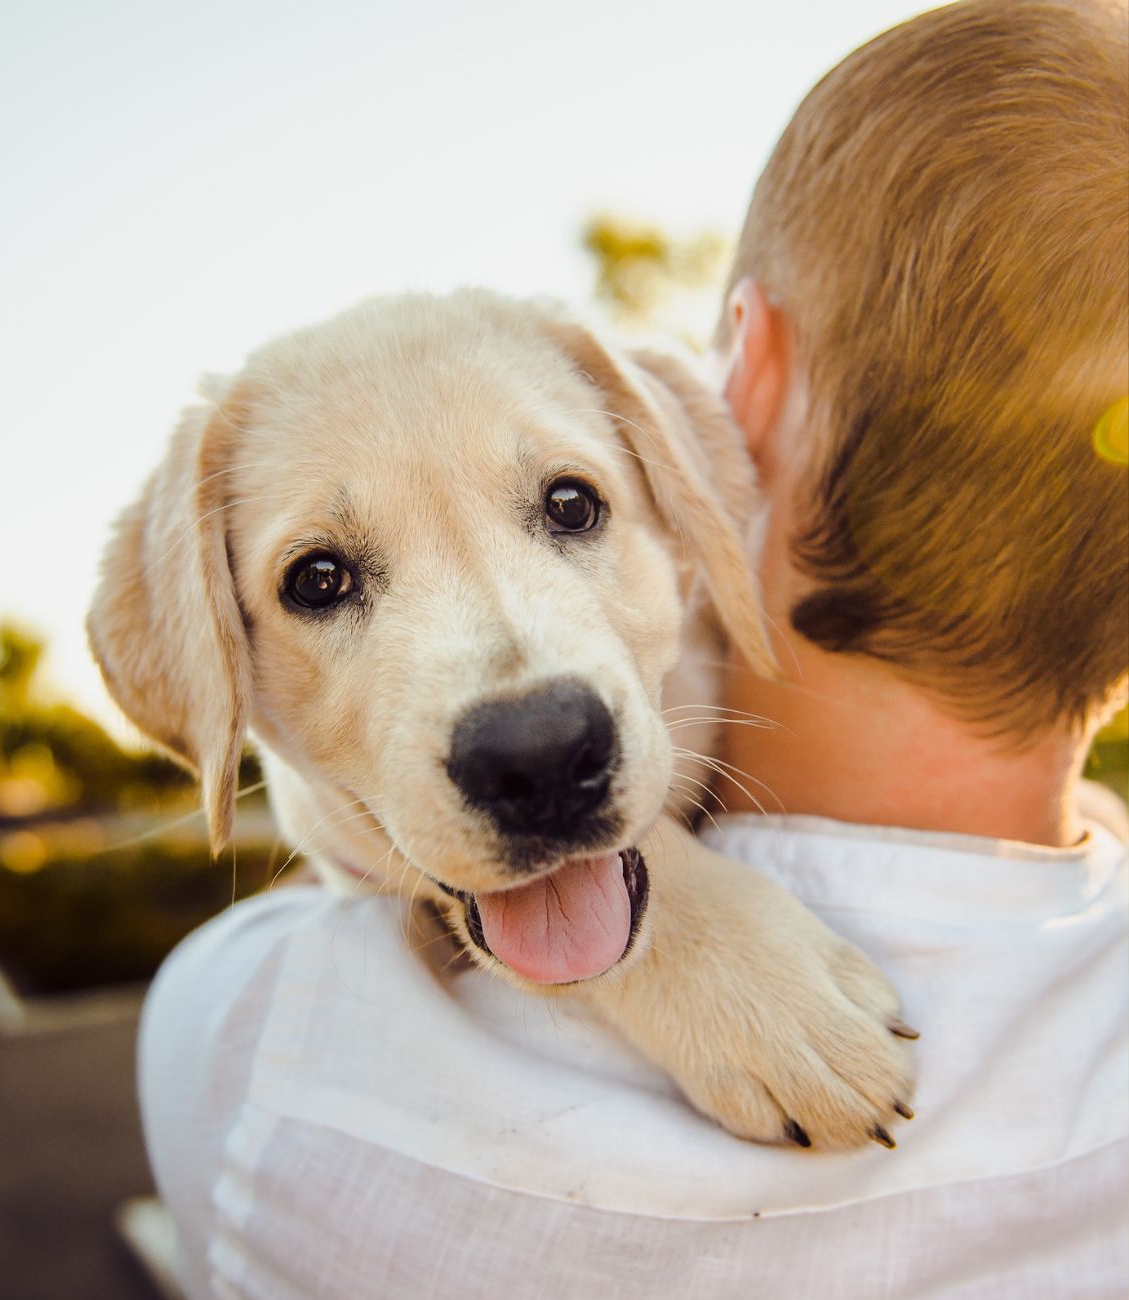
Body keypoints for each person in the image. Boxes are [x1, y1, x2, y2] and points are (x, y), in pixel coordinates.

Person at [137, 2, 1128, 1296]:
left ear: (735, 404)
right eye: (324, 579)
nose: (522, 707)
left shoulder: (255, 1050)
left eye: (567, 507)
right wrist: (670, 920)